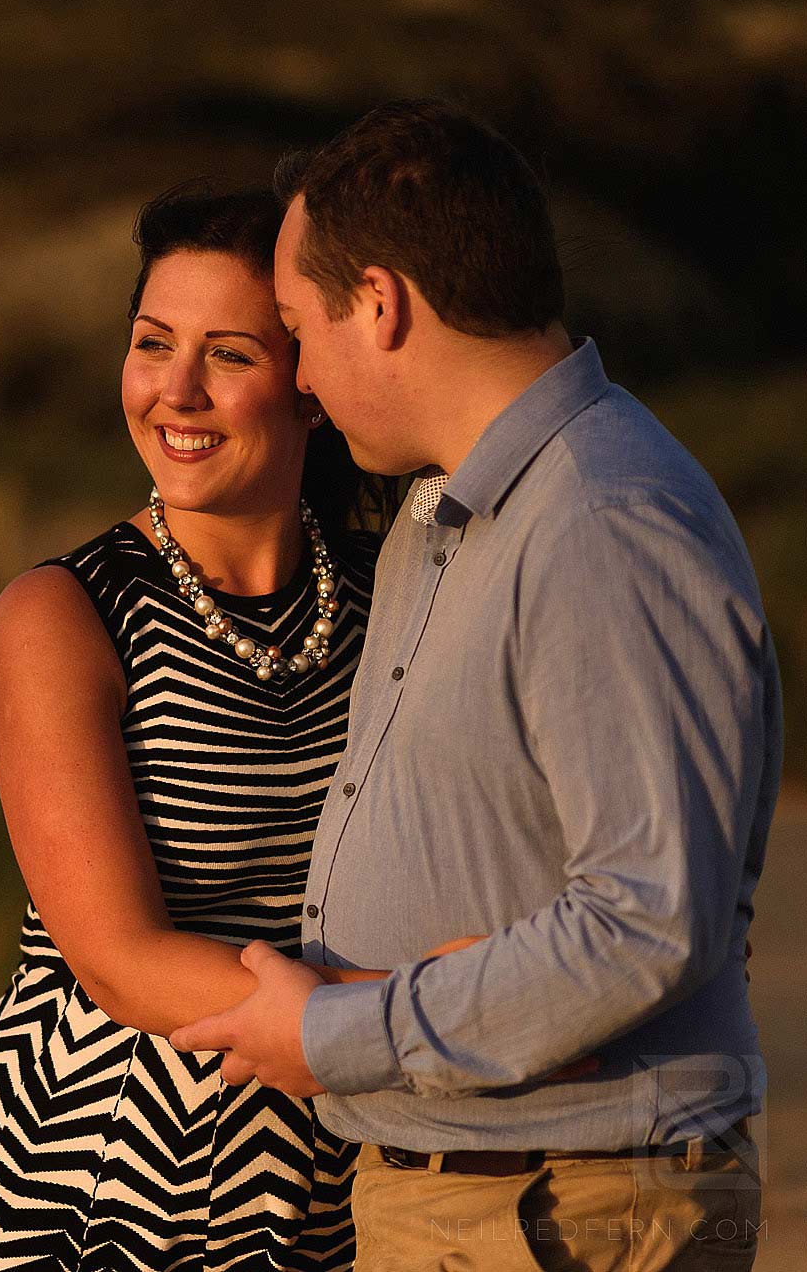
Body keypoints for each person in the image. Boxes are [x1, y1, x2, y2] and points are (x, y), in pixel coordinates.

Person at [169, 99, 779, 1272]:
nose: (294, 373)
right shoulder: (451, 513)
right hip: (494, 1203)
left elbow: (649, 917)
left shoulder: (598, 520)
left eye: (295, 325)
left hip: (567, 1210)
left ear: (381, 306)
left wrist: (344, 1029)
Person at [0, 183, 401, 1272]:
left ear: (307, 382)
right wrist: (432, 1015)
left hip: (341, 1188)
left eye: (227, 352)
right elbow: (120, 962)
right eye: (150, 343)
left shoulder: (396, 593)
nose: (174, 390)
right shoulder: (64, 613)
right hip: (94, 1188)